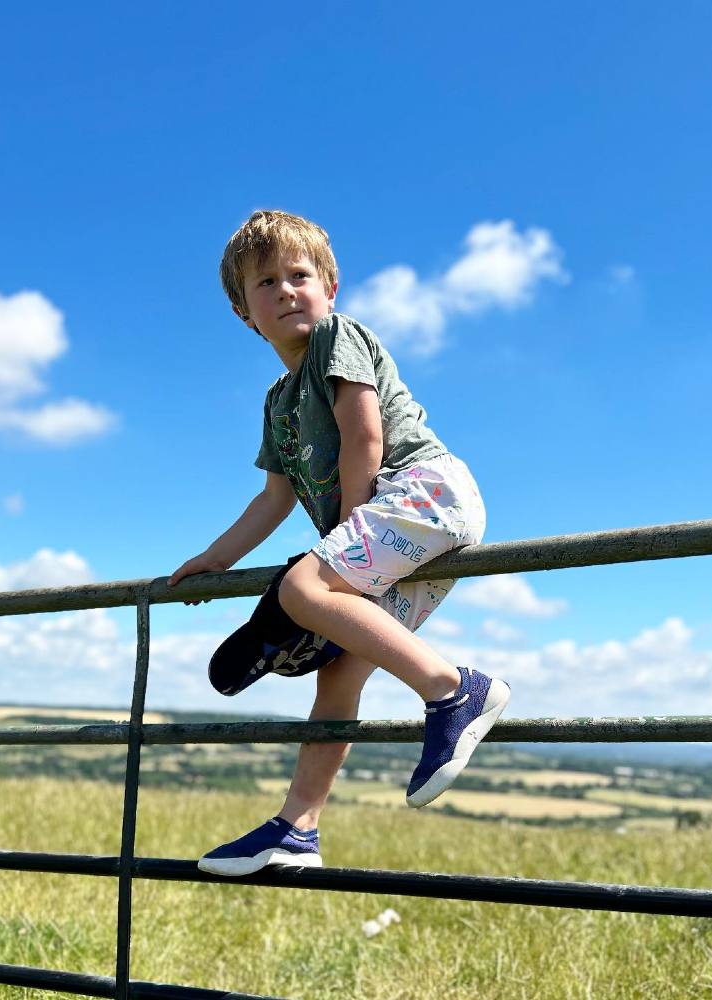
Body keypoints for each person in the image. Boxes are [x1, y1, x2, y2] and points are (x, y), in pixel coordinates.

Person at [168, 210, 509, 876]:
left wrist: (348, 531)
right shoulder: (277, 402)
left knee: (302, 589)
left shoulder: (336, 338)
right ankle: (296, 831)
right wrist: (216, 559)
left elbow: (365, 439)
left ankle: (453, 689)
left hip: (422, 492)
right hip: (398, 524)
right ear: (246, 313)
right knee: (338, 674)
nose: (287, 290)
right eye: (266, 282)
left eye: (301, 275)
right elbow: (274, 498)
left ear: (329, 288)